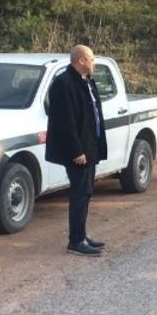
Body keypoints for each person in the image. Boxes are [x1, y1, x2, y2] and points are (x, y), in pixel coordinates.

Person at [45, 45, 108, 257]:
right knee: (79, 194)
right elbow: (65, 123)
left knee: (87, 192)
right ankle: (76, 241)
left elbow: (92, 115)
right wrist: (76, 151)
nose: (94, 63)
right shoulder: (63, 84)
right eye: (92, 59)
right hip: (77, 151)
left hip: (90, 146)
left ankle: (82, 235)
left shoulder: (86, 81)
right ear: (81, 61)